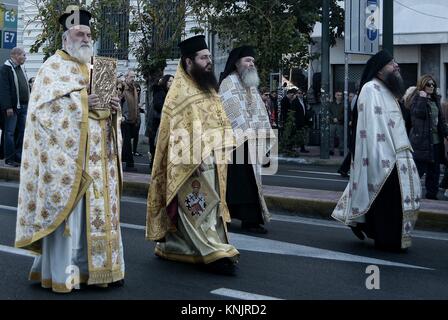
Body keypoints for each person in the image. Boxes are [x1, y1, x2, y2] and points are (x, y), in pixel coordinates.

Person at [14, 7, 125, 293]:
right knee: (71, 218)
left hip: (99, 162)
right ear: (66, 38)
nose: (86, 38)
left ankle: (98, 270)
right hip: (69, 161)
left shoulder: (96, 68)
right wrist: (84, 102)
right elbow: (43, 113)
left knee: (96, 217)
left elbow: (104, 115)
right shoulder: (53, 66)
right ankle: (64, 274)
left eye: (88, 34)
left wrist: (114, 108)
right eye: (79, 33)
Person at [145, 35, 239, 275]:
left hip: (214, 160)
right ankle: (211, 252)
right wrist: (191, 157)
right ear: (188, 61)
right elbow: (175, 133)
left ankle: (180, 246)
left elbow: (219, 119)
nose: (209, 62)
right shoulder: (179, 92)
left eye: (209, 57)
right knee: (197, 209)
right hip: (191, 163)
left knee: (211, 206)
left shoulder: (207, 87)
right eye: (203, 58)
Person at [332, 50, 421, 252]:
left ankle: (393, 236)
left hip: (399, 153)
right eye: (391, 64)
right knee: (387, 199)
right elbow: (369, 128)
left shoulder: (388, 89)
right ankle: (386, 239)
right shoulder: (370, 89)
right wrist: (379, 156)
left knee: (399, 197)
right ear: (380, 70)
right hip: (382, 155)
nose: (396, 66)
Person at [219, 45, 275, 234]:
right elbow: (232, 111)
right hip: (234, 143)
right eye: (247, 60)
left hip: (249, 141)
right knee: (235, 183)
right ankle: (228, 217)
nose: (251, 64)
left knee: (248, 182)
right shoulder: (229, 82)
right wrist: (246, 133)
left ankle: (250, 219)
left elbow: (259, 112)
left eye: (252, 61)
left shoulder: (250, 85)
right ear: (236, 63)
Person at [404, 75, 448, 200]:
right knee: (417, 171)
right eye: (429, 84)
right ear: (422, 85)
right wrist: (422, 98)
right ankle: (407, 196)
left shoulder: (435, 100)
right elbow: (419, 113)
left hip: (436, 142)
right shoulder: (416, 99)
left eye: (433, 84)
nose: (432, 86)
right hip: (421, 143)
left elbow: (441, 121)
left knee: (434, 173)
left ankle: (432, 196)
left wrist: (446, 133)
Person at [0, 47, 30, 167]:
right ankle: (9, 158)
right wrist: (8, 107)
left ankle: (18, 156)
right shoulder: (5, 69)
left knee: (21, 132)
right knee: (10, 133)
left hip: (23, 106)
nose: (25, 57)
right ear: (16, 55)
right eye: (23, 55)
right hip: (12, 107)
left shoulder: (20, 69)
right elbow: (4, 90)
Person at [148, 74, 173, 170]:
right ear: (165, 82)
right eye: (169, 81)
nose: (171, 83)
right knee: (156, 147)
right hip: (156, 125)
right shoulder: (160, 92)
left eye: (172, 81)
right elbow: (159, 106)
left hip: (160, 125)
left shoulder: (167, 93)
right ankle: (154, 167)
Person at [121, 69, 139, 171]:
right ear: (126, 77)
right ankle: (130, 165)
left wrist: (137, 118)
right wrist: (122, 116)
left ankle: (122, 160)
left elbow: (136, 104)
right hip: (125, 120)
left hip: (133, 120)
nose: (133, 79)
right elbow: (119, 102)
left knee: (126, 143)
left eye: (134, 77)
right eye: (131, 77)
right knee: (127, 142)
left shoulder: (134, 89)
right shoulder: (123, 88)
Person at [329, 90, 344, 156]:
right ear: (335, 96)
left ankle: (341, 150)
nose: (339, 96)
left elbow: (344, 114)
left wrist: (338, 118)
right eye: (338, 95)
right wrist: (333, 118)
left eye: (340, 95)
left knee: (341, 137)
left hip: (340, 123)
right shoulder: (331, 104)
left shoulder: (343, 104)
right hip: (332, 123)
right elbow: (329, 112)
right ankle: (331, 150)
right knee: (331, 137)